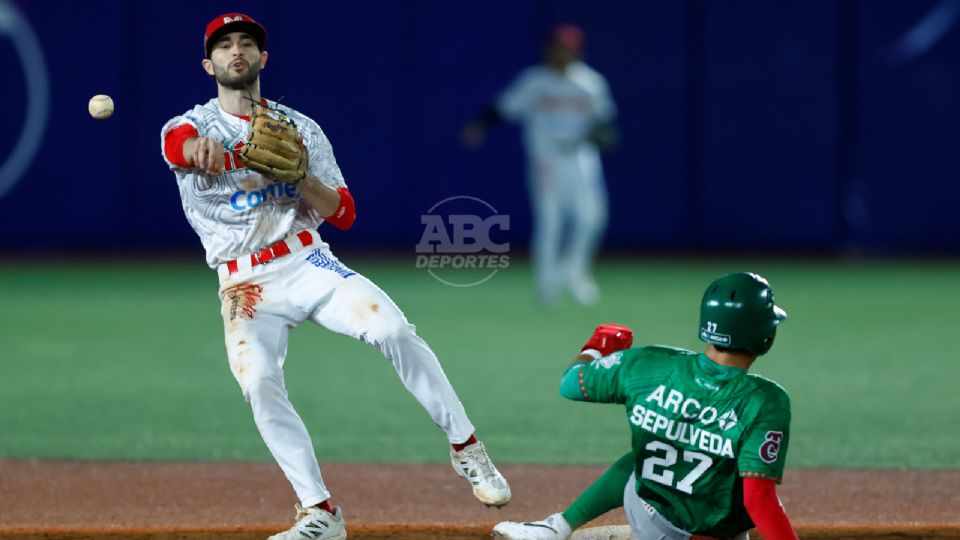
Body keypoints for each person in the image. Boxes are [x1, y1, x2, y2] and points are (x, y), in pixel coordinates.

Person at [159, 13, 510, 540]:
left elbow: (343, 212)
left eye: (248, 44)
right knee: (257, 382)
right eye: (226, 45)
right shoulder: (191, 127)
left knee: (391, 328)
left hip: (306, 262)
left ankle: (467, 449)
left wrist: (299, 177)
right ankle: (320, 511)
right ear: (208, 64)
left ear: (263, 59)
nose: (238, 51)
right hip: (244, 284)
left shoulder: (299, 129)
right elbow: (177, 146)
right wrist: (198, 151)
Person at [492, 272, 799, 540]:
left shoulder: (649, 363)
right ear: (764, 336)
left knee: (647, 453)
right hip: (712, 534)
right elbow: (759, 500)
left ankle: (556, 528)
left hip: (650, 516)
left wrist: (595, 348)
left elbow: (571, 382)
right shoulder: (765, 399)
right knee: (725, 470)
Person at [462, 24, 617, 308]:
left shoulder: (590, 82)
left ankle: (574, 272)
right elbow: (503, 106)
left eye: (569, 48)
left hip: (582, 155)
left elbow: (605, 122)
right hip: (547, 157)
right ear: (550, 49)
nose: (563, 52)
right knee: (550, 221)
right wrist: (480, 125)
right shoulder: (535, 82)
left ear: (577, 51)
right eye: (559, 46)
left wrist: (604, 134)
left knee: (591, 217)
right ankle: (547, 286)